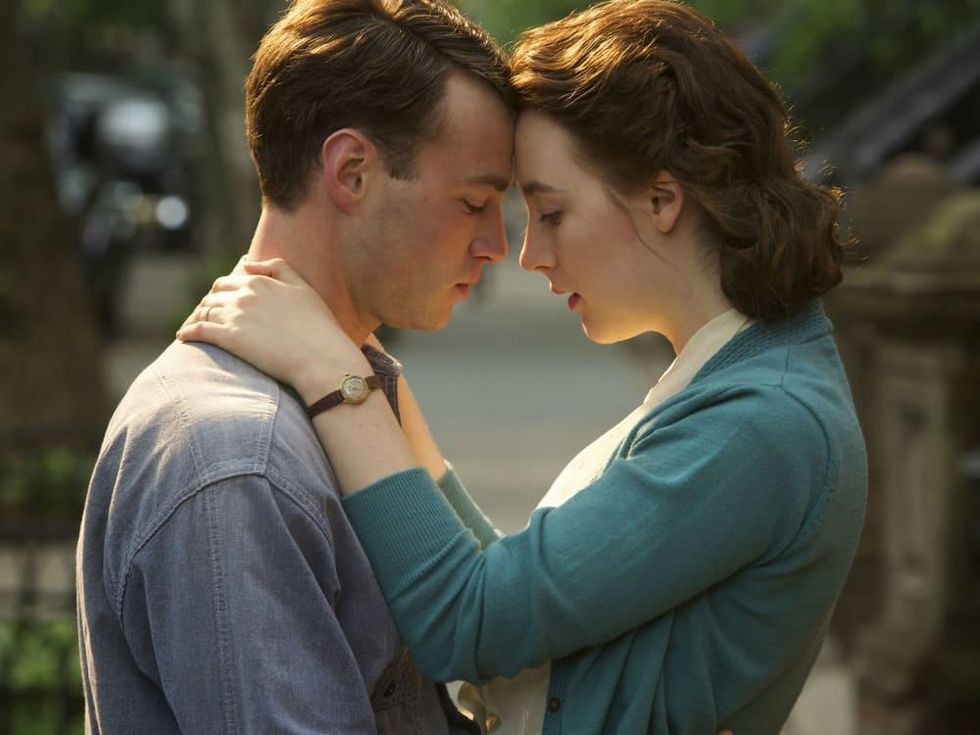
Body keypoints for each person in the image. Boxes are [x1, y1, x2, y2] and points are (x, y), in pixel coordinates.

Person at [177, 1, 869, 733]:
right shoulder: (739, 379)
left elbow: (470, 620)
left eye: (553, 213)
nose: (529, 253)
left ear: (664, 197)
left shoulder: (762, 424)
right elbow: (516, 593)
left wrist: (331, 372)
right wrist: (374, 375)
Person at [75, 0, 517, 731]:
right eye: (474, 202)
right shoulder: (239, 459)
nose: (497, 244)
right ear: (351, 171)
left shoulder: (343, 392)